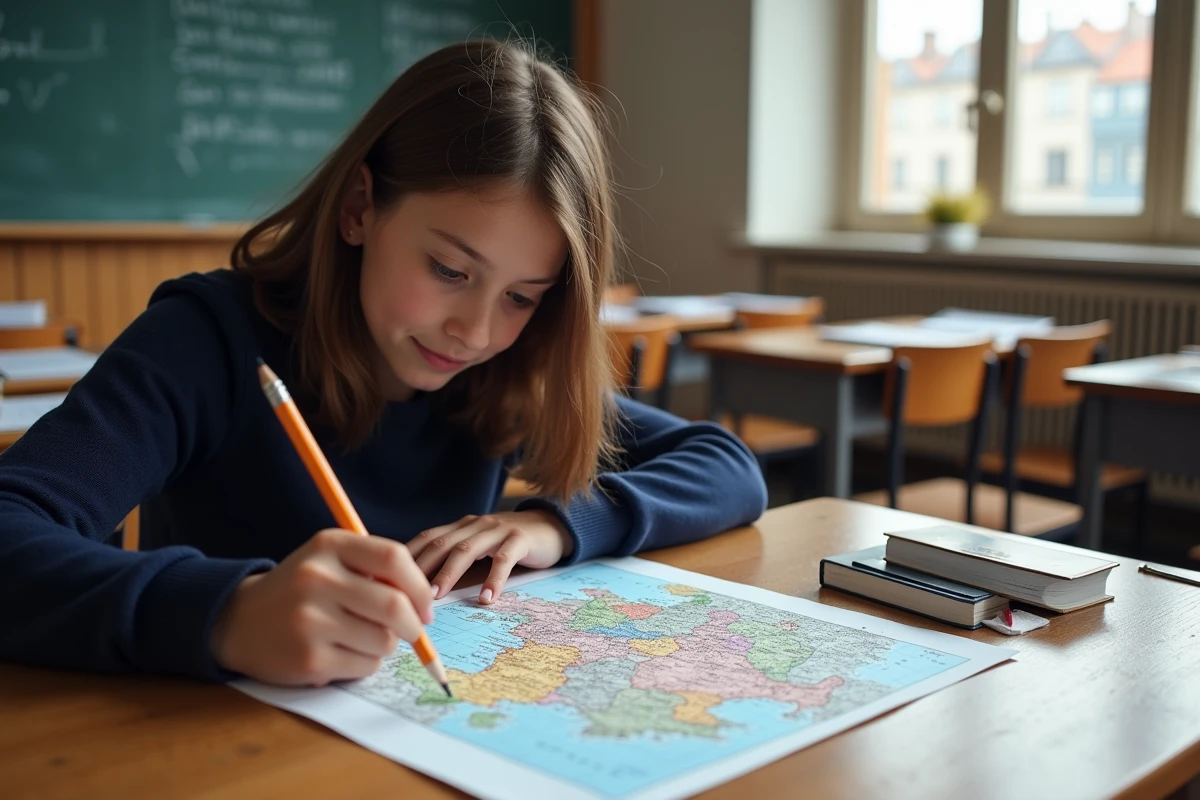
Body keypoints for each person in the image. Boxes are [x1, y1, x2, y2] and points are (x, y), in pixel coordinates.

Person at [0, 40, 767, 688]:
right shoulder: (208, 340)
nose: (474, 330)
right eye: (448, 270)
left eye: (524, 297)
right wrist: (226, 613)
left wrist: (552, 527)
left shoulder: (504, 374)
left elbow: (726, 465)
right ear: (361, 207)